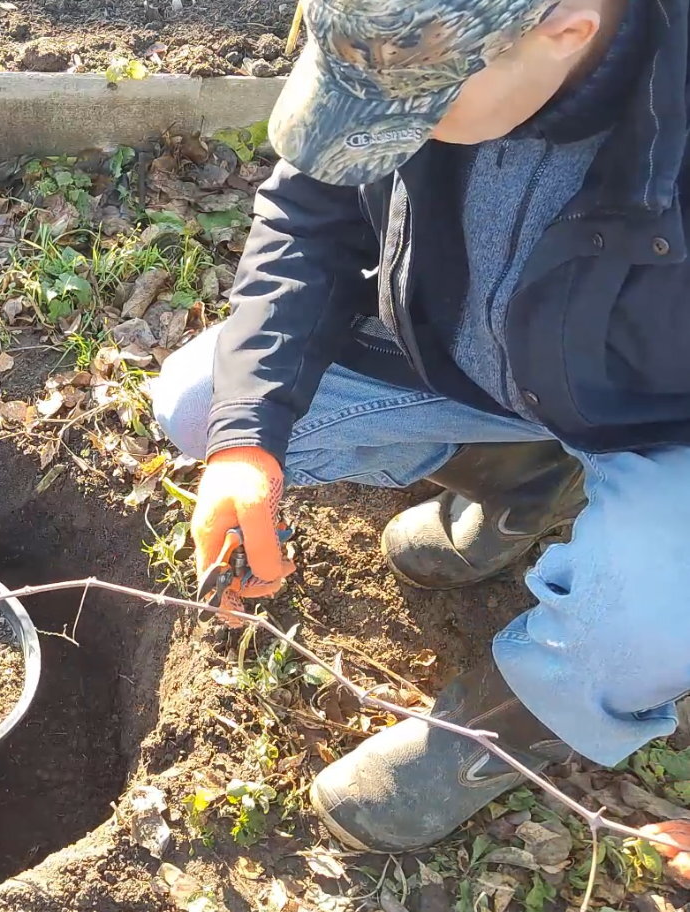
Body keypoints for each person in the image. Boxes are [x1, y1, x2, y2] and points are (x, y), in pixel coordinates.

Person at [151, 0, 690, 853]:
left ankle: (498, 729)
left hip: (656, 423)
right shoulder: (401, 42)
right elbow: (305, 217)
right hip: (458, 356)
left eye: (412, 115)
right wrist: (247, 437)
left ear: (566, 30)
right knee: (200, 406)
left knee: (654, 623)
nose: (388, 136)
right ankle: (522, 478)